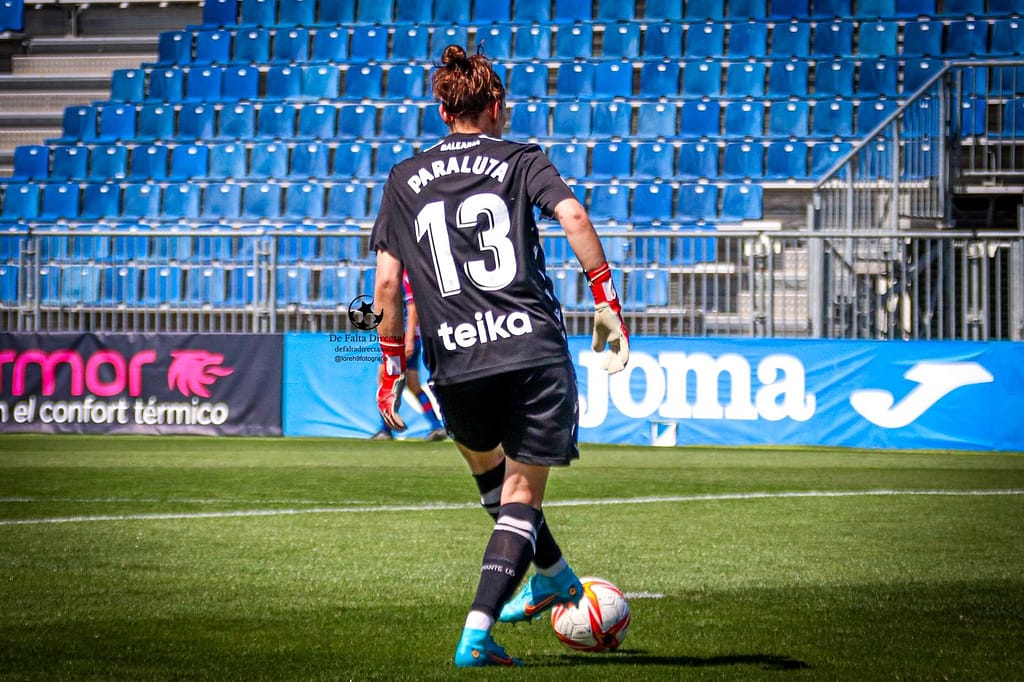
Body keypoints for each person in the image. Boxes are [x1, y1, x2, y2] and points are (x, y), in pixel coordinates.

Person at [370, 44, 630, 668]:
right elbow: (572, 212)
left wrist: (387, 368)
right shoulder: (520, 158)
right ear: (496, 106)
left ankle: (554, 575)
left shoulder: (403, 179)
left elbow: (384, 285)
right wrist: (607, 302)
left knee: (490, 478)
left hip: (454, 361)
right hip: (530, 351)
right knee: (519, 495)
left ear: (441, 109)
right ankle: (478, 632)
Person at [372, 271, 447, 441]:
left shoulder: (402, 276)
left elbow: (413, 309)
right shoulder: (407, 275)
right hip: (407, 337)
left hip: (401, 338)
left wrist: (409, 339)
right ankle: (435, 425)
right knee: (412, 384)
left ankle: (385, 429)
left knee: (385, 380)